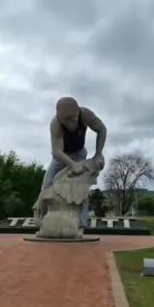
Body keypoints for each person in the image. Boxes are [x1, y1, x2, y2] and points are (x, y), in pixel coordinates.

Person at [40, 97, 107, 229]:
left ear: (77, 113)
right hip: (61, 156)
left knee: (80, 186)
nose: (70, 124)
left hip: (79, 153)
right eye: (66, 120)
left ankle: (81, 223)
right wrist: (73, 164)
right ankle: (43, 222)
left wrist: (98, 153)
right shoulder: (56, 124)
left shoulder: (85, 115)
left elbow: (102, 129)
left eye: (73, 119)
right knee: (47, 186)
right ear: (60, 117)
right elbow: (56, 151)